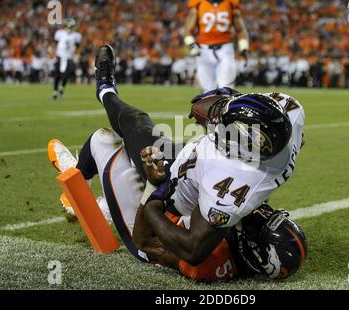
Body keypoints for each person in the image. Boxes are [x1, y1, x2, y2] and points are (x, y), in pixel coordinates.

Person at [49, 44, 307, 281]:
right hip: (189, 172)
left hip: (156, 217)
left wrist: (154, 189)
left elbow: (146, 241)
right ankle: (104, 202)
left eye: (260, 223)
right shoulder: (289, 117)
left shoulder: (213, 250)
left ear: (254, 253)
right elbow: (289, 127)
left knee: (104, 139)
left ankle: (87, 182)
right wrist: (231, 101)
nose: (263, 212)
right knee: (137, 130)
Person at [184, 0, 250, 92]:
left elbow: (240, 29)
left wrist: (244, 47)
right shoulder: (199, 3)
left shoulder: (230, 3)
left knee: (226, 88)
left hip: (225, 49)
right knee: (207, 90)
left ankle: (225, 106)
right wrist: (191, 45)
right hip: (204, 51)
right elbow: (188, 30)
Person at [52, 18, 82, 100]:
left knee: (67, 75)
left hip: (69, 57)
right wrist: (53, 53)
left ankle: (62, 88)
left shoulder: (76, 35)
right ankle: (55, 91)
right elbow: (55, 43)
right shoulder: (59, 33)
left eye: (71, 26)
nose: (69, 28)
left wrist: (76, 54)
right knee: (57, 74)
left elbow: (78, 47)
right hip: (60, 56)